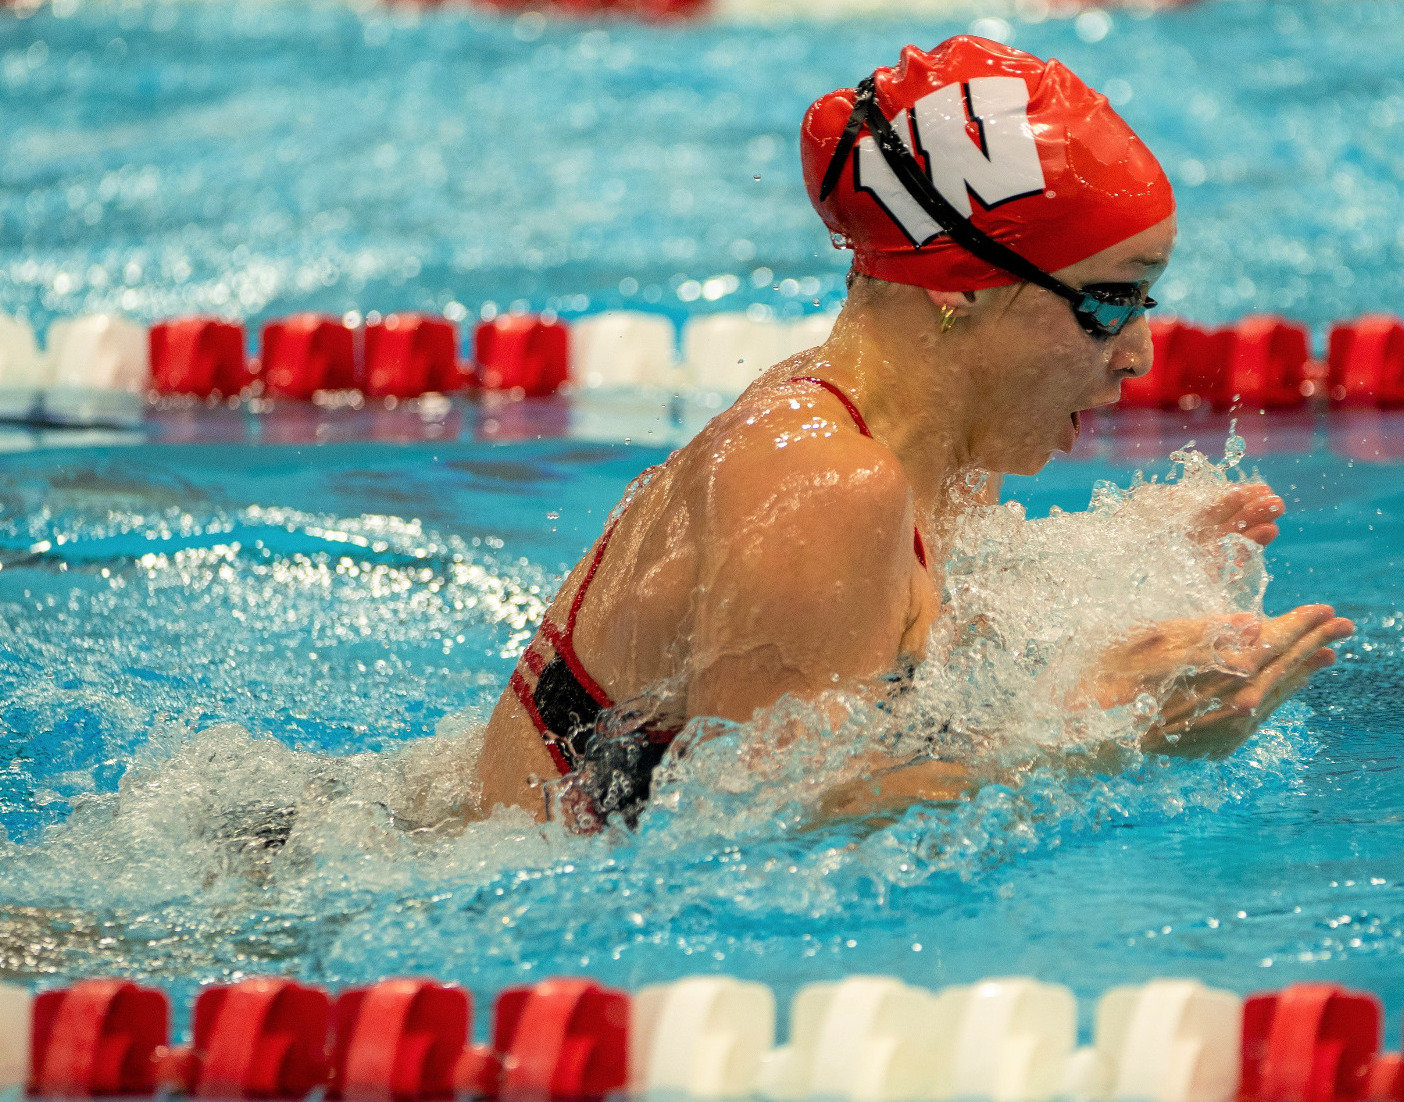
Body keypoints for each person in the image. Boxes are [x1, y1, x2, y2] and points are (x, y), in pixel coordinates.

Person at [474, 36, 1354, 827]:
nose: (1139, 354)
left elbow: (897, 660)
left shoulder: (936, 444)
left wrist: (1127, 565)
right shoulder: (819, 482)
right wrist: (1103, 728)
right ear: (960, 283)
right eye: (1108, 301)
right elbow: (752, 834)